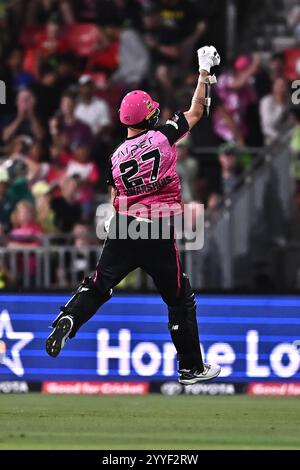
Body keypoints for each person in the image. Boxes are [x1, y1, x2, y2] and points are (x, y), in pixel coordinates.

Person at [46, 45, 222, 385]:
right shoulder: (162, 137)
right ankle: (191, 367)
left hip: (125, 226)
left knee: (99, 285)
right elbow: (196, 112)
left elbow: (115, 197)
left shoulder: (115, 156)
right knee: (178, 297)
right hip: (157, 230)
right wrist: (203, 73)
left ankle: (68, 317)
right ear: (149, 116)